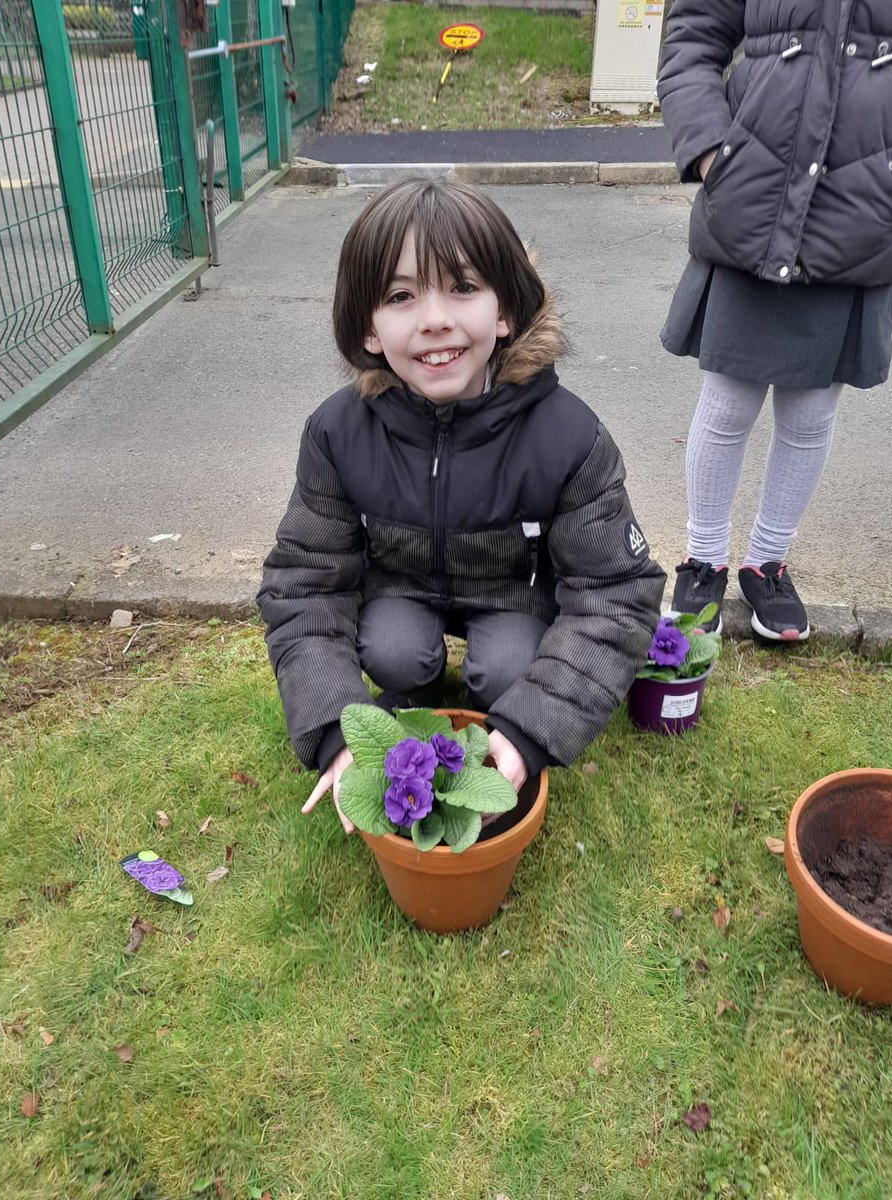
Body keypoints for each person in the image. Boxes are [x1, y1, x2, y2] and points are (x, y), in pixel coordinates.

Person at [257, 178, 665, 832]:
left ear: (505, 312)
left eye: (463, 288)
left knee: (505, 663)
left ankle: (493, 703)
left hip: (513, 599)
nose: (435, 319)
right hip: (402, 593)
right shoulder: (336, 432)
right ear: (368, 326)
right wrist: (336, 730)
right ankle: (409, 696)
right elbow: (304, 585)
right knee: (394, 647)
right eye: (400, 295)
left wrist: (530, 729)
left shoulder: (567, 435)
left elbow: (617, 591)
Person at [658, 0, 892, 641]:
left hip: (864, 213)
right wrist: (711, 149)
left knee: (810, 415)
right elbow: (693, 32)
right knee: (727, 403)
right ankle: (703, 560)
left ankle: (767, 563)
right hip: (753, 200)